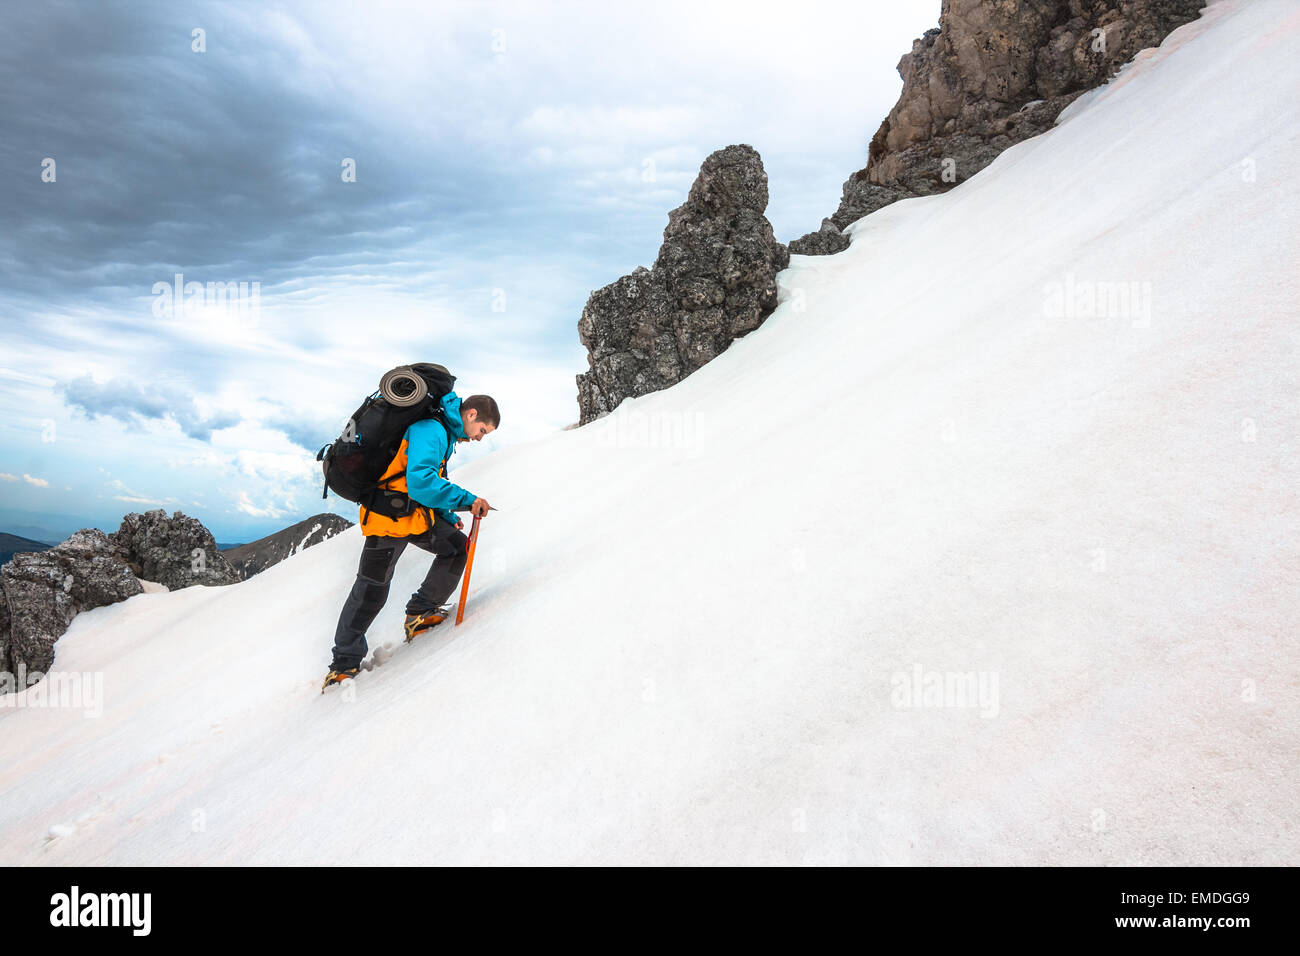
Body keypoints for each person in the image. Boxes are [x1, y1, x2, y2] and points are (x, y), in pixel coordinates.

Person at [323, 391, 498, 689]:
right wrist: (467, 501)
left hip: (413, 517)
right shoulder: (431, 429)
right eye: (482, 430)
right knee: (371, 590)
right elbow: (421, 483)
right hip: (388, 520)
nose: (480, 438)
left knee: (455, 546)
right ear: (470, 415)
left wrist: (444, 513)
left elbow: (423, 478)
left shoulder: (443, 431)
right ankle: (343, 665)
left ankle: (420, 612)